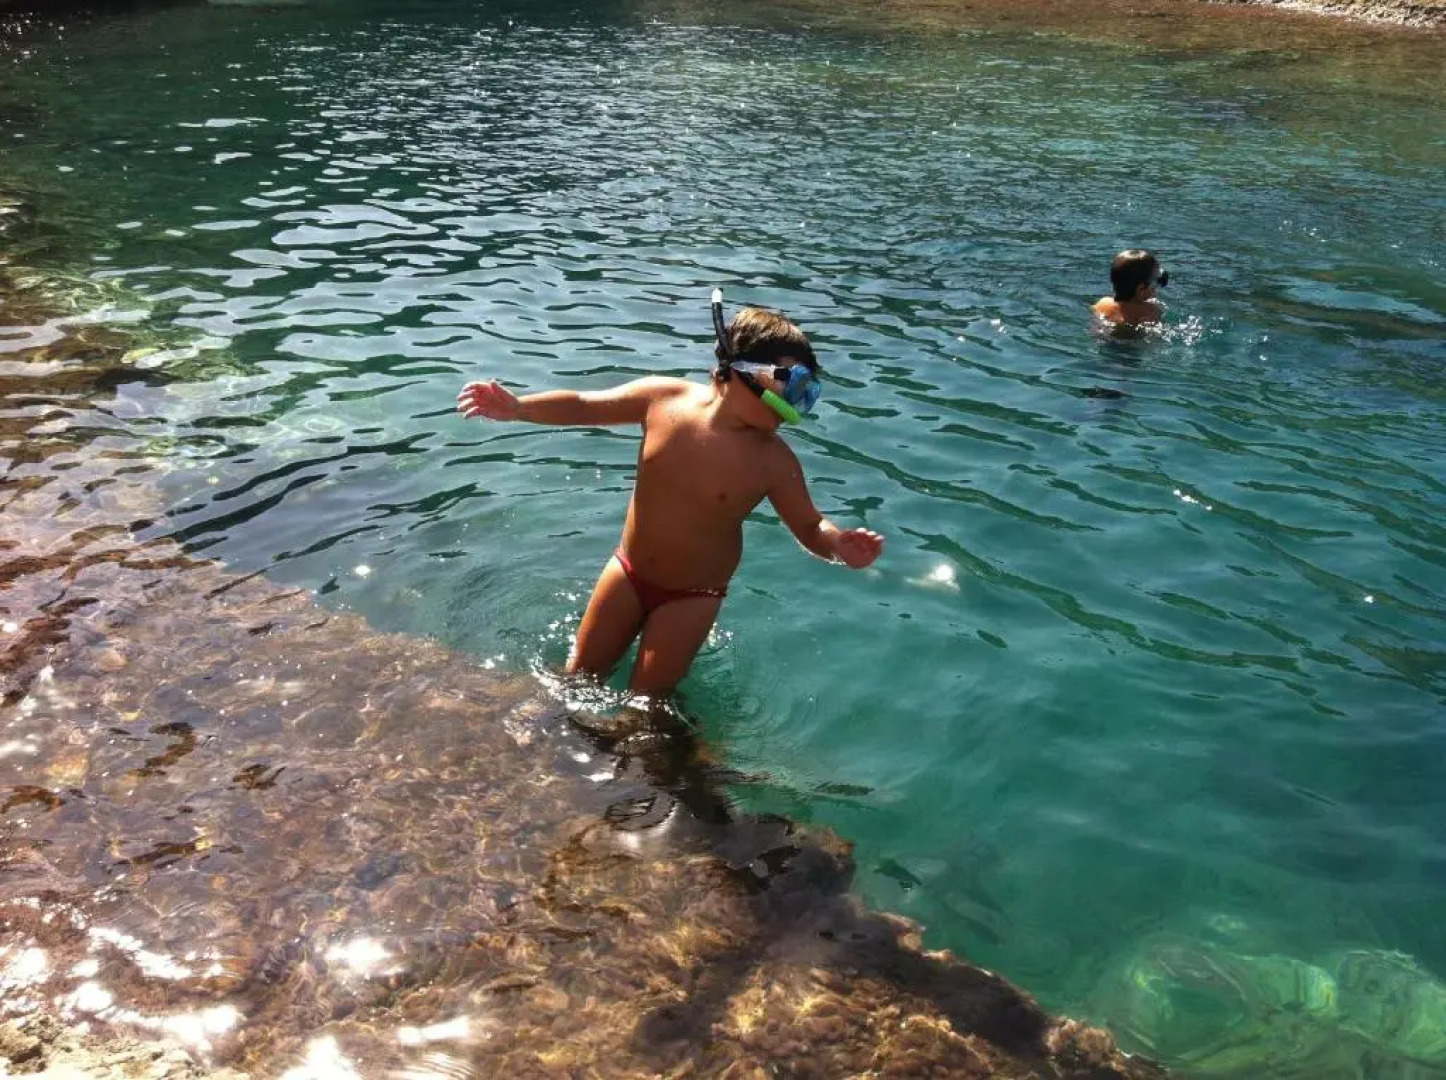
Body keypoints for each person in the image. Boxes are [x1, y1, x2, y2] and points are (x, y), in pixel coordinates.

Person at [456, 292, 884, 694]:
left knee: (647, 701)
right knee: (576, 679)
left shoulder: (774, 461)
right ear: (741, 372)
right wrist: (519, 408)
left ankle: (655, 763)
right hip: (627, 572)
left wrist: (837, 544)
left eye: (806, 393)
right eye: (791, 385)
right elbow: (586, 404)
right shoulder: (664, 400)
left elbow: (809, 525)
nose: (797, 403)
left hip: (692, 597)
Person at [1093, 249, 1169, 326]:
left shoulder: (1103, 303)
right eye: (1155, 282)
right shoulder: (1150, 310)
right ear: (1141, 289)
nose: (1156, 286)